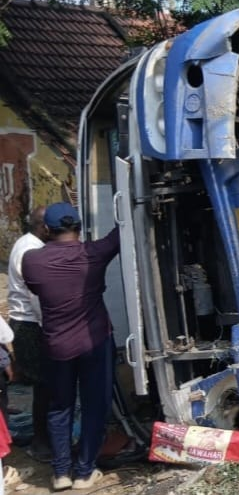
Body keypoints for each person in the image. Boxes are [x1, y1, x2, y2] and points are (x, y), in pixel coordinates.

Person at [21, 202, 119, 491]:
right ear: (79, 227)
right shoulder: (94, 252)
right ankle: (84, 472)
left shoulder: (32, 260)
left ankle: (61, 472)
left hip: (56, 346)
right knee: (94, 407)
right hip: (95, 342)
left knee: (59, 407)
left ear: (47, 230)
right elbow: (120, 232)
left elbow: (36, 289)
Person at [4, 206, 51, 462]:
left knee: (42, 385)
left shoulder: (27, 243)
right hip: (31, 324)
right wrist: (50, 326)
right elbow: (37, 296)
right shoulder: (31, 250)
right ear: (44, 227)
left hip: (27, 322)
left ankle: (40, 436)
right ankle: (40, 441)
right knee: (45, 385)